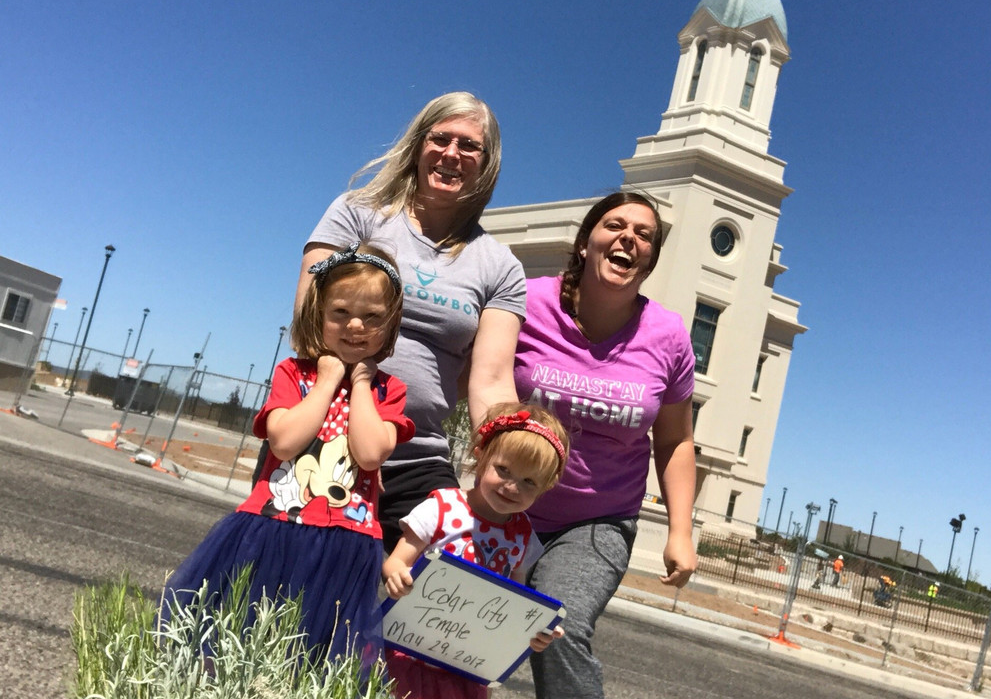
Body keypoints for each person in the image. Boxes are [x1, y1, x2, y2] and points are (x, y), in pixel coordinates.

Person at [164, 243, 414, 666]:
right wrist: (328, 377)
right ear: (318, 315)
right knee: (240, 647)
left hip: (346, 545)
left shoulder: (388, 390)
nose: (356, 325)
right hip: (272, 529)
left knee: (310, 660)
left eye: (372, 317)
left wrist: (358, 383)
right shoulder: (292, 374)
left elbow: (370, 453)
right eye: (341, 313)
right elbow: (283, 441)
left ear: (389, 326)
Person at [298, 92, 525, 551]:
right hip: (327, 434)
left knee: (449, 584)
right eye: (440, 138)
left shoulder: (501, 267)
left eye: (469, 146)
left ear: (487, 162)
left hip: (420, 455)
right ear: (419, 144)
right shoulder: (356, 215)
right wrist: (361, 430)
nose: (452, 154)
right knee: (301, 596)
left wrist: (517, 451)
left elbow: (494, 381)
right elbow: (312, 324)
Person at [514, 191, 698, 699]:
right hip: (507, 504)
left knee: (559, 628)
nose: (629, 239)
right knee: (462, 626)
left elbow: (677, 439)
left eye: (644, 235)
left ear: (651, 259)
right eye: (615, 225)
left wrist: (680, 531)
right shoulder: (528, 301)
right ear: (585, 242)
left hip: (598, 519)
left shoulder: (669, 335)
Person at [382, 404, 570, 699]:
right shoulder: (441, 508)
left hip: (466, 669)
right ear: (481, 455)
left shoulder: (523, 536)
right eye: (504, 469)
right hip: (408, 654)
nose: (511, 486)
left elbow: (514, 604)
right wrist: (396, 577)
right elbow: (396, 562)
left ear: (546, 486)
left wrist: (534, 631)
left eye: (529, 482)